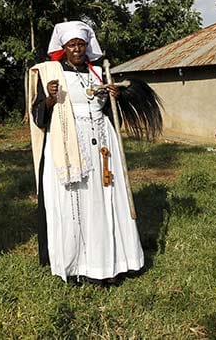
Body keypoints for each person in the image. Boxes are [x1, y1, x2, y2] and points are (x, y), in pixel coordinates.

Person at [28, 21, 144, 284]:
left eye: (81, 44)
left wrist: (115, 96)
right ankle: (83, 265)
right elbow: (37, 116)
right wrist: (49, 98)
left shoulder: (98, 73)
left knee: (106, 201)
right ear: (63, 48)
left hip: (103, 145)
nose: (77, 49)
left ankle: (115, 262)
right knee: (79, 205)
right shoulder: (50, 74)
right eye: (72, 45)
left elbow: (108, 111)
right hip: (70, 147)